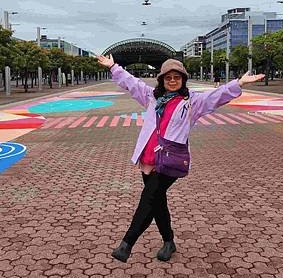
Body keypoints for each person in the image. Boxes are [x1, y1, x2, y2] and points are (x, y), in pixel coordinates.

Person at [97, 55, 264, 262]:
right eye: (168, 77)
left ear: (183, 79)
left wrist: (238, 83)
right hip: (149, 158)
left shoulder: (192, 102)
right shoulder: (153, 97)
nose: (173, 81)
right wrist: (113, 67)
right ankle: (169, 242)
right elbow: (132, 84)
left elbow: (217, 96)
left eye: (177, 77)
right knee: (157, 202)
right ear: (162, 80)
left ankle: (126, 244)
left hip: (170, 160)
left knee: (148, 199)